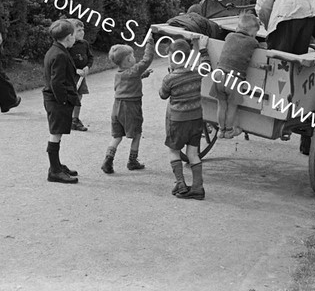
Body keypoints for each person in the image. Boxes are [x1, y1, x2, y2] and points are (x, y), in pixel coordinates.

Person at [160, 36, 210, 200]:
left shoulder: (169, 78)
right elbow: (207, 66)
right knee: (192, 153)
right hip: (196, 119)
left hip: (178, 121)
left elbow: (162, 95)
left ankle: (180, 183)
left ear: (171, 58)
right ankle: (197, 187)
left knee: (174, 151)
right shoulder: (196, 73)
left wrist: (170, 74)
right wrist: (203, 49)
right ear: (188, 57)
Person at [101, 36, 154, 174]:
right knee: (136, 133)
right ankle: (132, 161)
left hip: (117, 107)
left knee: (117, 136)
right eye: (133, 56)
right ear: (129, 60)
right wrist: (149, 42)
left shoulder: (119, 74)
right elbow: (147, 60)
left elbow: (128, 81)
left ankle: (108, 159)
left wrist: (142, 76)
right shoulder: (134, 70)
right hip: (131, 107)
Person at [210, 12, 262, 139]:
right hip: (234, 79)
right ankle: (229, 131)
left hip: (219, 75)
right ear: (252, 33)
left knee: (221, 105)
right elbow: (261, 47)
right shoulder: (253, 42)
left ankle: (220, 130)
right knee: (232, 106)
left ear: (238, 28)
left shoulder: (229, 36)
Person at [42, 19, 80, 184]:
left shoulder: (55, 50)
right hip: (57, 101)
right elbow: (56, 82)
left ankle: (56, 165)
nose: (75, 39)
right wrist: (63, 101)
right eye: (74, 35)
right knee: (55, 134)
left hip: (54, 99)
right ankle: (54, 171)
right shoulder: (60, 55)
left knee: (56, 133)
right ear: (68, 37)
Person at [67, 19, 93, 131]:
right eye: (78, 30)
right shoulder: (68, 46)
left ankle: (75, 119)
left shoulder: (84, 44)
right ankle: (66, 118)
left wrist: (88, 66)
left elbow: (90, 57)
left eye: (83, 29)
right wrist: (75, 70)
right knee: (69, 97)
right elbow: (65, 61)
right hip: (71, 76)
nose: (82, 32)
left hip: (81, 77)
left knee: (79, 96)